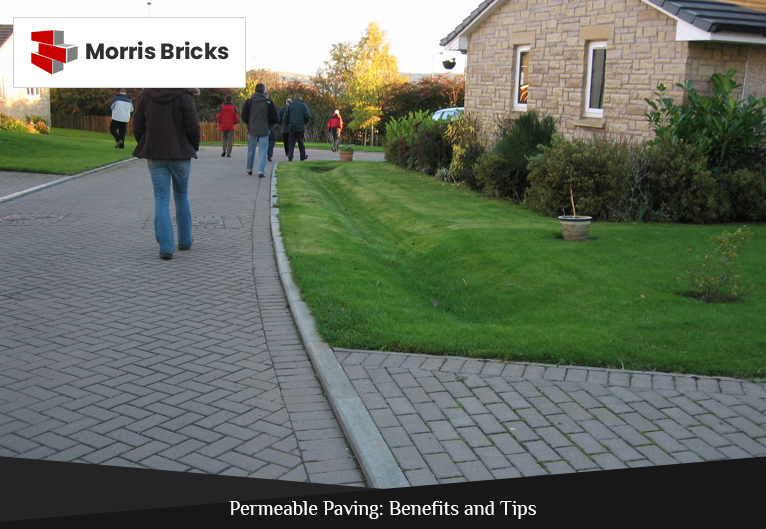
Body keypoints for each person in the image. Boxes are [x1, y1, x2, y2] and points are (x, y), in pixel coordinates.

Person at [132, 88, 200, 260]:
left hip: (155, 152)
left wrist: (145, 143)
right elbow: (193, 125)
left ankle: (166, 246)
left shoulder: (146, 95)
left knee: (161, 198)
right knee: (181, 195)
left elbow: (138, 124)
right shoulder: (185, 95)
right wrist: (192, 146)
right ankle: (184, 241)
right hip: (180, 153)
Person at [241, 82, 279, 177]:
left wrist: (249, 123)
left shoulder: (249, 102)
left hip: (252, 129)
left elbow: (244, 115)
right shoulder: (268, 102)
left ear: (255, 90)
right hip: (264, 129)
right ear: (263, 90)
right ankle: (260, 171)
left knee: (251, 150)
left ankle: (249, 168)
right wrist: (268, 124)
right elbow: (275, 118)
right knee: (263, 151)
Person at [284, 93, 311, 162]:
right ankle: (302, 156)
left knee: (291, 142)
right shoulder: (303, 105)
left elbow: (285, 116)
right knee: (300, 142)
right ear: (300, 98)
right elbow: (308, 115)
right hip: (300, 126)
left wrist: (288, 124)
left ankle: (290, 156)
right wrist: (304, 122)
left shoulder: (290, 106)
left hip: (292, 126)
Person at [265, 91, 277, 161]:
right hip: (270, 125)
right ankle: (269, 154)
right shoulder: (271, 104)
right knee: (272, 139)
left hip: (262, 125)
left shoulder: (259, 103)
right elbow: (275, 115)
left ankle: (263, 154)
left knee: (263, 140)